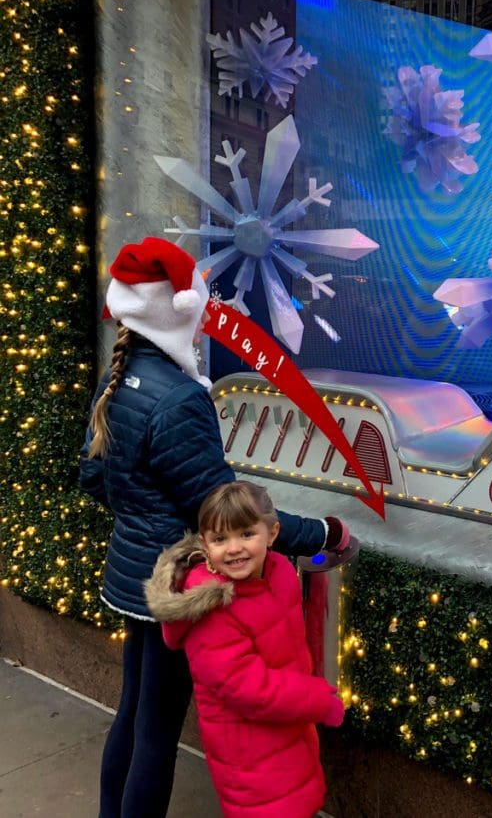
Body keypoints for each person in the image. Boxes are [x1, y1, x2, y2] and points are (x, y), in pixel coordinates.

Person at [80, 236, 350, 818]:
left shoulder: (119, 378)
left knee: (132, 713)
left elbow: (92, 478)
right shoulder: (178, 399)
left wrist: (143, 514)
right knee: (155, 732)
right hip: (177, 590)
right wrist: (324, 535)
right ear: (174, 315)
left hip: (132, 577)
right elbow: (227, 512)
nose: (205, 327)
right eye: (200, 314)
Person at [145, 481, 345, 818]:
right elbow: (245, 686)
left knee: (298, 800)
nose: (234, 548)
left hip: (287, 728)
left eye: (246, 534)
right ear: (205, 544)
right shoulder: (211, 605)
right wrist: (318, 700)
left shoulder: (279, 570)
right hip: (248, 748)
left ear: (272, 533)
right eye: (220, 539)